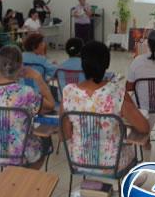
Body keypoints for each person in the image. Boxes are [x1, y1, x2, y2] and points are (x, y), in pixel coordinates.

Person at [61, 41, 150, 173]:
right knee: (133, 152)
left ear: (83, 63)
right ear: (107, 64)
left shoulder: (68, 91)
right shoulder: (116, 92)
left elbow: (66, 133)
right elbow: (144, 127)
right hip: (112, 163)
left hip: (78, 160)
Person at [0, 46, 54, 168]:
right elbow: (51, 105)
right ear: (20, 66)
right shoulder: (26, 92)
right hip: (20, 153)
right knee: (45, 142)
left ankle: (14, 176)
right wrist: (38, 78)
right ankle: (25, 177)